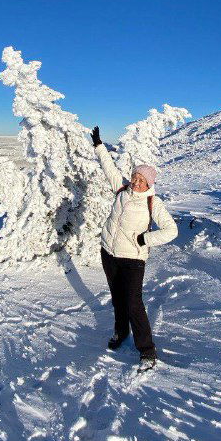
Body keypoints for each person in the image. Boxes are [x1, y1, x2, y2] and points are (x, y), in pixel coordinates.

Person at [91, 125, 178, 370]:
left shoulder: (153, 202)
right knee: (118, 299)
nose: (136, 182)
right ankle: (121, 333)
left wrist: (144, 239)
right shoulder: (122, 190)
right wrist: (98, 145)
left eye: (142, 180)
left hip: (132, 259)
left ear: (149, 183)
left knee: (133, 304)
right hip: (109, 253)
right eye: (135, 177)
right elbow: (109, 168)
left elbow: (171, 230)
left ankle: (147, 351)